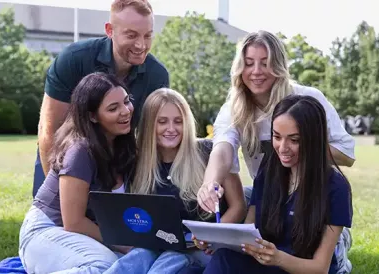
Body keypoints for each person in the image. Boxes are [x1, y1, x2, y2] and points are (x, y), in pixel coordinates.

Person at [197, 30, 354, 272]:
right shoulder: (235, 109)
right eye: (249, 63)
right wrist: (210, 184)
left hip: (310, 196)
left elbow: (347, 153)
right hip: (269, 190)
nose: (256, 71)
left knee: (305, 234)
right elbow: (222, 149)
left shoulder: (307, 99)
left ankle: (335, 244)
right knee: (229, 248)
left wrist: (303, 149)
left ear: (279, 66)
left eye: (265, 63)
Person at [33, 0, 169, 198]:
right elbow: (50, 128)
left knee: (108, 226)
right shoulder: (73, 59)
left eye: (148, 35)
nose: (141, 45)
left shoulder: (157, 75)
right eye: (131, 35)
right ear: (110, 30)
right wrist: (57, 195)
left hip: (117, 162)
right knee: (55, 220)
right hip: (63, 159)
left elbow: (150, 139)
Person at [19, 72, 137, 273]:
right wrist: (123, 243)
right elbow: (73, 222)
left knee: (131, 265)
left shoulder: (121, 146)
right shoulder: (80, 151)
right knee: (104, 266)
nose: (125, 111)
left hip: (81, 235)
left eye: (126, 102)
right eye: (113, 108)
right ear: (92, 116)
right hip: (46, 231)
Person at [119, 88, 246, 273]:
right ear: (149, 125)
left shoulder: (209, 152)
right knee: (134, 259)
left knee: (167, 263)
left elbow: (239, 206)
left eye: (178, 121)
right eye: (162, 122)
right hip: (161, 244)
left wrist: (214, 236)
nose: (171, 129)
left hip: (205, 248)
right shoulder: (138, 164)